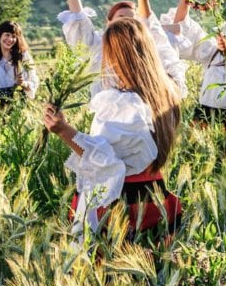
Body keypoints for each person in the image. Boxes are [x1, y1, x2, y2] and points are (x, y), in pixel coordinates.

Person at [43, 18, 182, 238]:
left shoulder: (124, 103)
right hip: (154, 197)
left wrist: (64, 130)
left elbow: (107, 161)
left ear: (119, 56)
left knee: (106, 268)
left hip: (120, 202)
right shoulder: (164, 93)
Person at [57, 0, 187, 96]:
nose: (126, 23)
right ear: (109, 23)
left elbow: (159, 37)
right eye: (121, 18)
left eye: (132, 20)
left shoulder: (147, 50)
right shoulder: (99, 48)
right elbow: (78, 18)